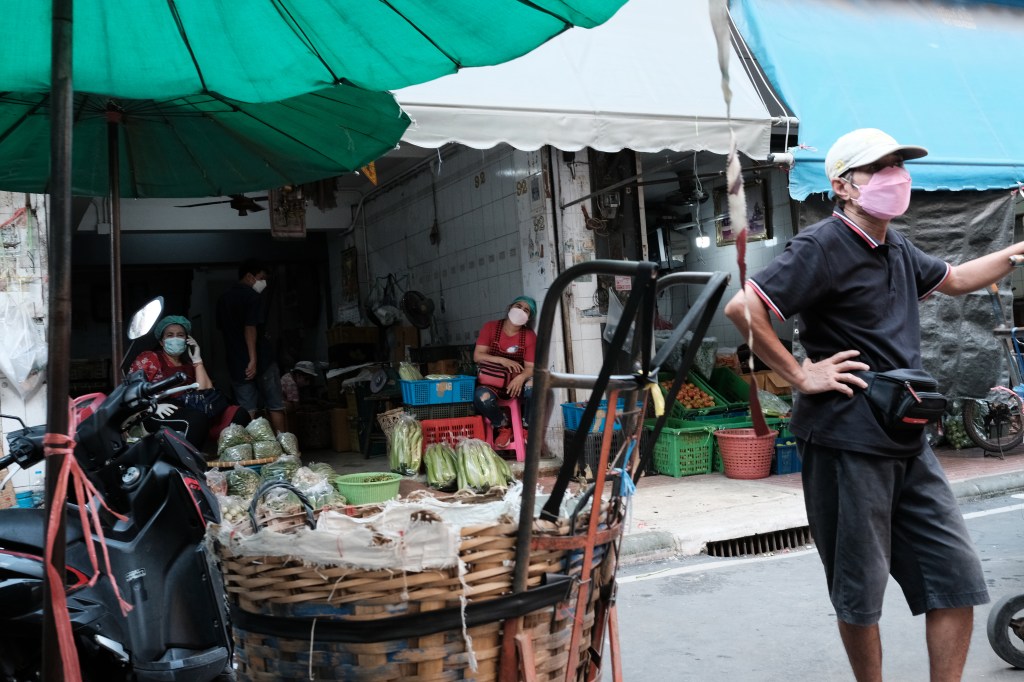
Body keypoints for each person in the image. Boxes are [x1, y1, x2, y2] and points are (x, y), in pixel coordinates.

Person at [724, 127, 1024, 681]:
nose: (895, 177)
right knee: (860, 591)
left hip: (906, 435)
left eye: (898, 166)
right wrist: (800, 374)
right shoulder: (822, 245)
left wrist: (1014, 252)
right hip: (846, 438)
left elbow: (957, 279)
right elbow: (744, 308)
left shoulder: (896, 246)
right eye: (880, 168)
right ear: (843, 186)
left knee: (954, 580)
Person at [129, 315, 244, 449]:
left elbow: (206, 391)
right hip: (158, 410)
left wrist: (197, 360)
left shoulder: (189, 365)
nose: (175, 338)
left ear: (187, 340)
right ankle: (188, 460)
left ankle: (226, 456)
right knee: (197, 419)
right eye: (170, 335)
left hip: (189, 408)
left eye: (180, 335)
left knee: (238, 413)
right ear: (161, 341)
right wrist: (151, 407)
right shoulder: (150, 358)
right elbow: (131, 390)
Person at [216, 258, 286, 434]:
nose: (264, 283)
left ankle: (251, 447)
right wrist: (253, 360)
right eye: (261, 278)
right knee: (275, 405)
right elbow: (250, 328)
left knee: (247, 410)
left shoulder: (223, 299)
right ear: (249, 276)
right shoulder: (253, 297)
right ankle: (284, 445)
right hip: (261, 360)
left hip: (237, 362)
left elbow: (224, 330)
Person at [474, 296, 538, 448]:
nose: (520, 311)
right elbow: (478, 356)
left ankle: (526, 429)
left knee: (534, 388)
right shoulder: (491, 327)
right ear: (510, 307)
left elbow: (531, 367)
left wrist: (520, 378)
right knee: (481, 397)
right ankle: (502, 426)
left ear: (529, 318)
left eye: (526, 310)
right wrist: (502, 360)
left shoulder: (529, 336)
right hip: (493, 382)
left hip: (515, 383)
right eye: (518, 306)